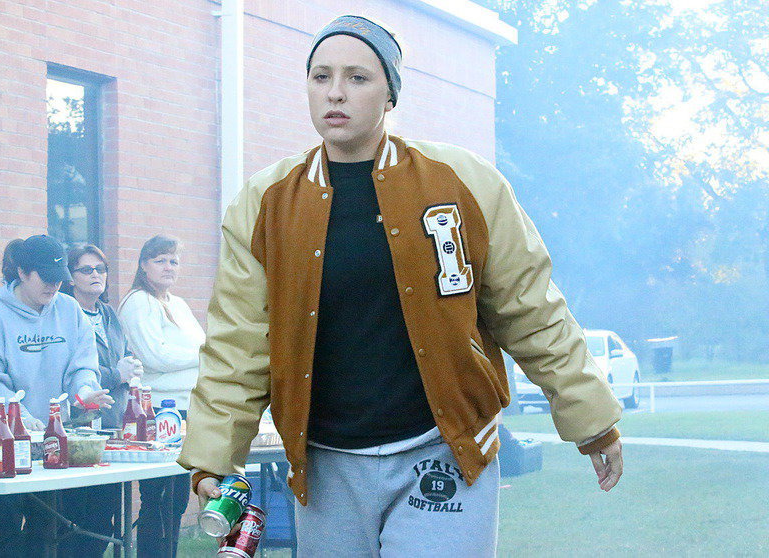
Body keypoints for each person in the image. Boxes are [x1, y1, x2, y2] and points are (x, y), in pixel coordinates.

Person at [179, 14, 624, 556]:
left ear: (390, 93)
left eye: (357, 77)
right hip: (325, 464)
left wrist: (591, 419)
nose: (335, 92)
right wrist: (213, 456)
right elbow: (238, 342)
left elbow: (531, 309)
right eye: (321, 77)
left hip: (444, 451)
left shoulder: (464, 182)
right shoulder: (263, 203)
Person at [0, 234, 113, 558]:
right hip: (7, 444)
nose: (54, 286)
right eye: (46, 278)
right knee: (6, 524)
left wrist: (85, 391)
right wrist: (21, 417)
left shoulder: (69, 310)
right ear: (22, 272)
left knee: (48, 527)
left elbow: (82, 365)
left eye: (59, 279)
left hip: (54, 441)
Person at [118, 235, 205, 558]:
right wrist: (202, 354)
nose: (169, 267)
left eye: (174, 261)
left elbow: (198, 346)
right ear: (143, 265)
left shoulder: (178, 304)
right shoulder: (138, 302)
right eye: (160, 260)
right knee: (157, 497)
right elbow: (156, 356)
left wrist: (201, 353)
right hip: (155, 410)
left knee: (178, 499)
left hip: (187, 409)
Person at [57, 244, 144, 557]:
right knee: (74, 520)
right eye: (86, 269)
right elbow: (70, 372)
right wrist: (116, 374)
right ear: (70, 277)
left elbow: (122, 355)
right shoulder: (64, 315)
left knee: (104, 518)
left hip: (111, 426)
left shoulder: (108, 313)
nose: (96, 274)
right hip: (77, 429)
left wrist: (131, 366)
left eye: (101, 269)